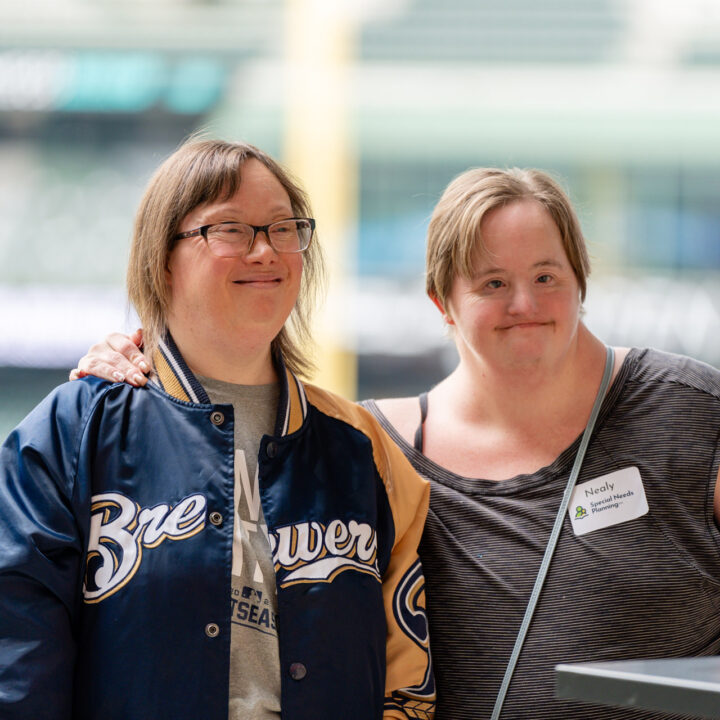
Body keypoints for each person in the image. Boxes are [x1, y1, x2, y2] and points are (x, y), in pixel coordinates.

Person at [68, 167, 720, 719]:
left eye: (547, 276)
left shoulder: (689, 408)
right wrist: (139, 365)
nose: (525, 302)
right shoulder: (373, 453)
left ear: (582, 279)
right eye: (492, 283)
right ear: (442, 300)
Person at [0, 139, 435, 720]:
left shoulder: (364, 446)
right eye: (229, 229)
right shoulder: (71, 433)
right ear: (161, 258)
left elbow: (408, 684)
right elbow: (18, 667)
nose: (265, 250)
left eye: (283, 227)